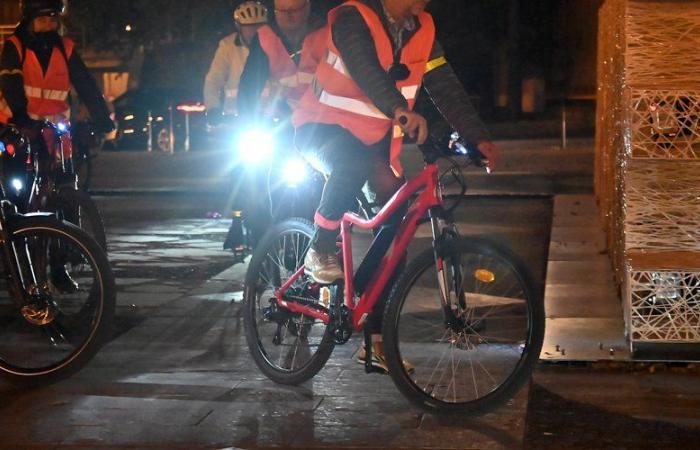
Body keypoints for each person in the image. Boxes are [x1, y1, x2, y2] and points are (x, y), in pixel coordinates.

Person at [292, 0, 500, 372]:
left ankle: (374, 339)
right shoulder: (354, 17)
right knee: (350, 164)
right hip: (321, 128)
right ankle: (318, 249)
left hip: (372, 143)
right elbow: (366, 69)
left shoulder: (422, 31)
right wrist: (399, 110)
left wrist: (476, 137)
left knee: (398, 222)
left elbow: (444, 85)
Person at [223, 0, 327, 254]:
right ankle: (260, 238)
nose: (290, 17)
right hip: (279, 125)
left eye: (296, 10)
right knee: (258, 183)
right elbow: (250, 85)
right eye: (284, 12)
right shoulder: (265, 39)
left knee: (323, 187)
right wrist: (247, 123)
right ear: (276, 14)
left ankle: (319, 244)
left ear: (308, 9)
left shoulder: (325, 34)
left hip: (318, 124)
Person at [0, 0, 113, 136]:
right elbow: (11, 83)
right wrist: (20, 115)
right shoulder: (15, 46)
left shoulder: (66, 49)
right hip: (17, 125)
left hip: (54, 130)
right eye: (42, 20)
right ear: (29, 22)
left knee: (72, 155)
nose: (48, 26)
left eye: (52, 20)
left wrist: (101, 116)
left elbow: (85, 83)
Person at [203, 1, 268, 121]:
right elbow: (213, 79)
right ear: (239, 27)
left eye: (258, 26)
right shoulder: (227, 46)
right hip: (235, 120)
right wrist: (213, 108)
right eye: (249, 27)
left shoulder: (273, 46)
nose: (254, 31)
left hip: (267, 119)